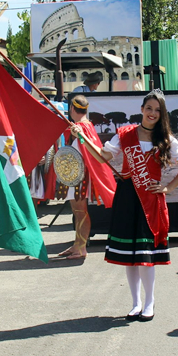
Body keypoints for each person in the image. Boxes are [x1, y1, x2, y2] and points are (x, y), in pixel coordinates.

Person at [71, 90, 178, 321]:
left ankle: (149, 304)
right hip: (127, 198)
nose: (153, 113)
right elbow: (103, 156)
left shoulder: (166, 139)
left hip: (150, 201)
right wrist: (82, 137)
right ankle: (135, 303)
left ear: (162, 113)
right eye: (149, 108)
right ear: (141, 109)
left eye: (158, 110)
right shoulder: (125, 134)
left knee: (146, 256)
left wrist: (168, 188)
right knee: (129, 254)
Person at [56, 95, 117, 259]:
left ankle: (81, 247)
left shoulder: (82, 128)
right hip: (76, 176)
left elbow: (90, 152)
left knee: (80, 212)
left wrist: (79, 134)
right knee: (78, 212)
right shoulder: (82, 126)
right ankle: (77, 244)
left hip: (79, 177)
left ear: (72, 109)